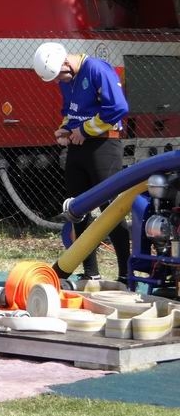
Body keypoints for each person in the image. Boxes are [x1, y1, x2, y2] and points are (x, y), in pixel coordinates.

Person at [33, 42, 131, 282]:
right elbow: (70, 111)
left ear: (66, 62)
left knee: (112, 209)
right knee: (77, 209)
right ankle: (91, 272)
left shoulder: (97, 69)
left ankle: (125, 275)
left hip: (104, 146)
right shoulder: (68, 78)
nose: (59, 81)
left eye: (59, 76)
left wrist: (85, 130)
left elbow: (118, 108)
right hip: (78, 146)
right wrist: (65, 129)